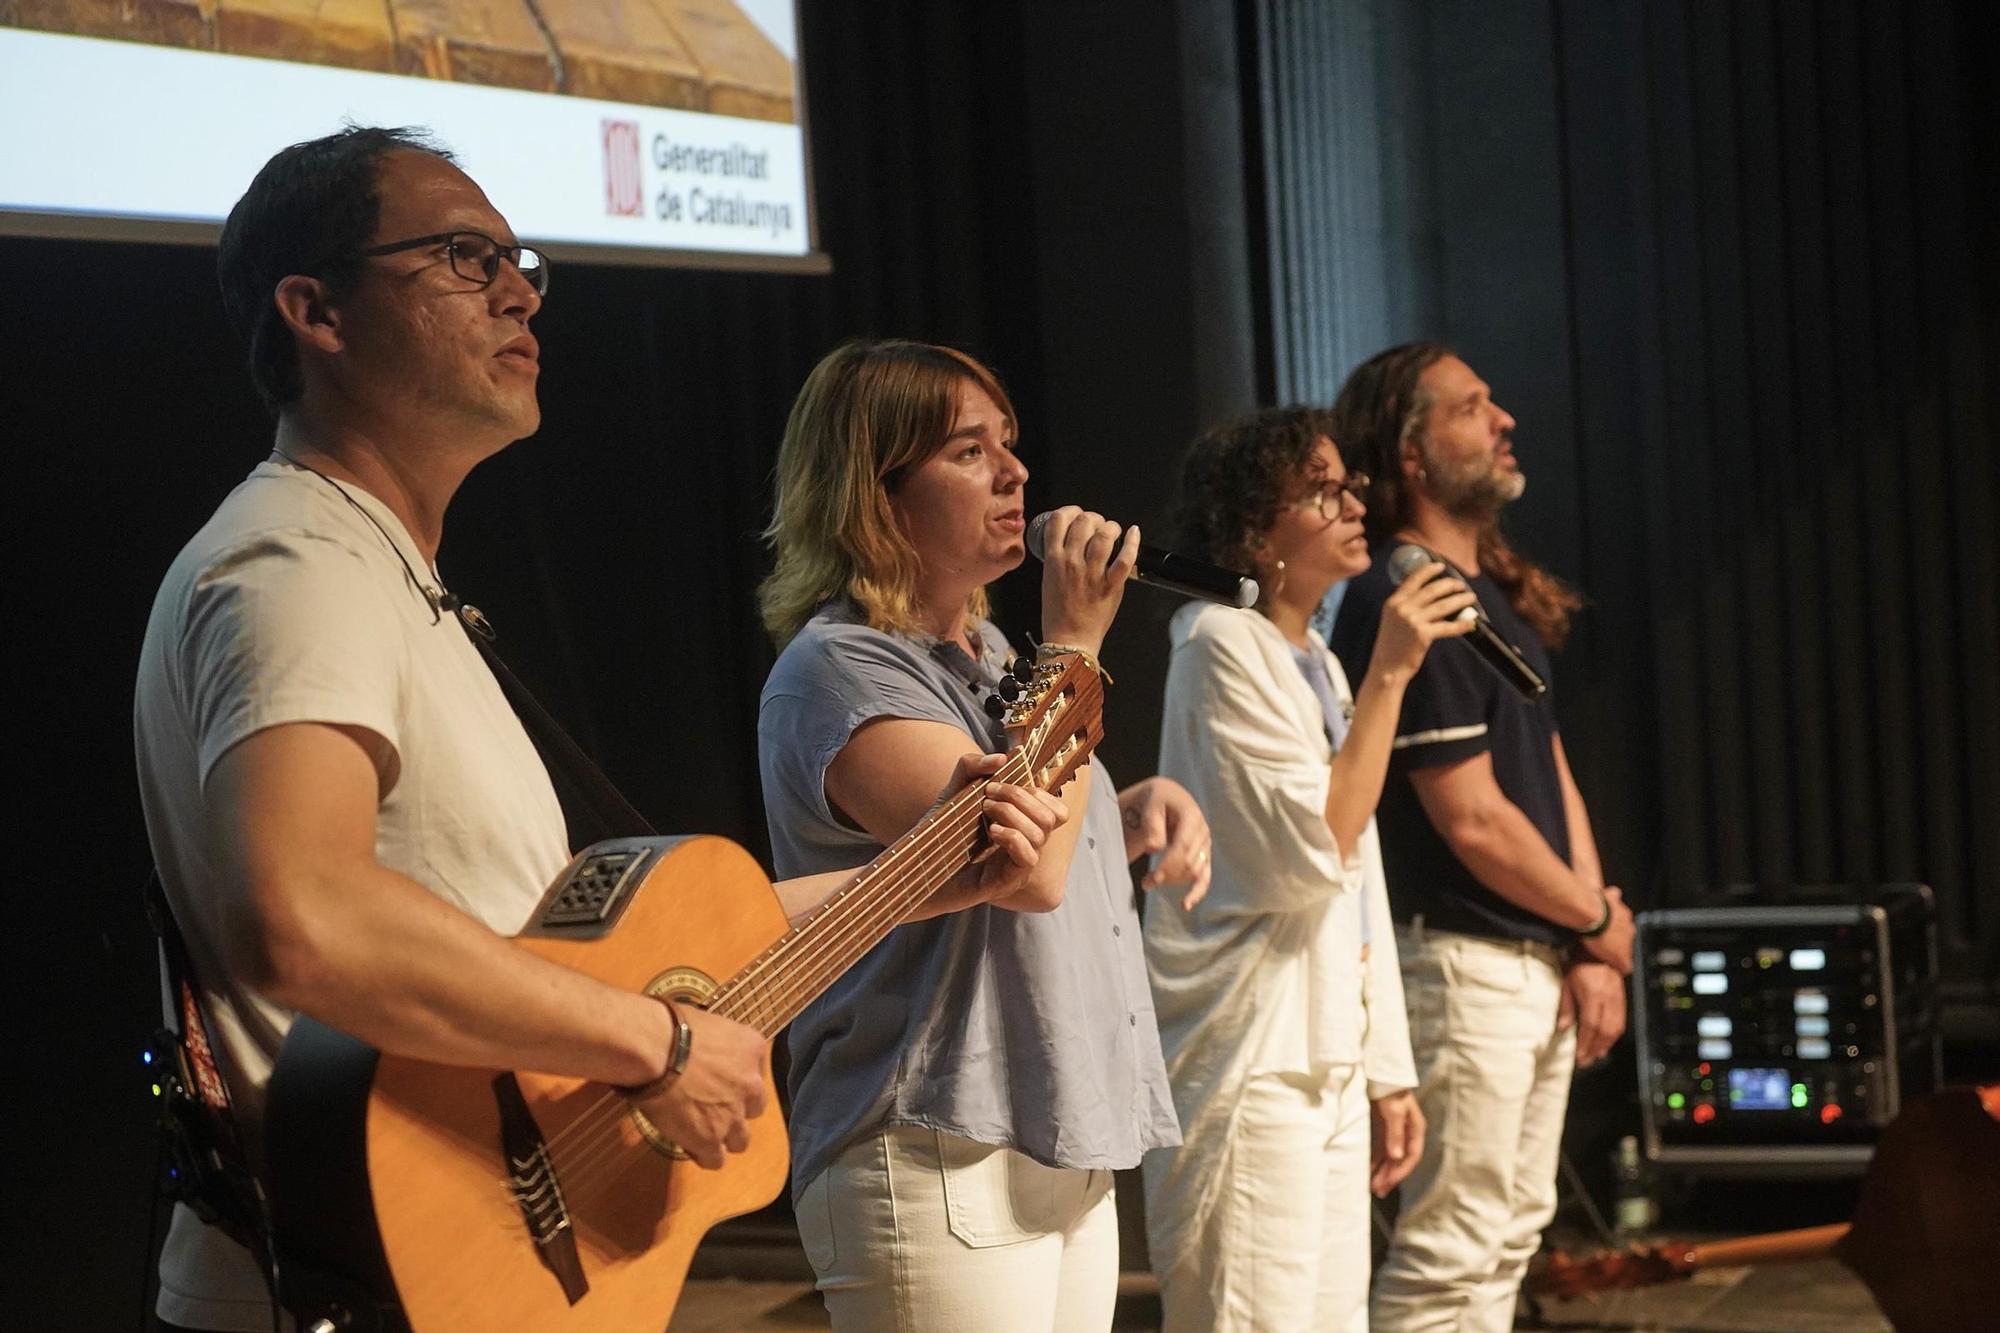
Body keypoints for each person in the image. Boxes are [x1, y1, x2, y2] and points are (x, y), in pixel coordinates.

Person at [133, 131, 1058, 1332]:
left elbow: (567, 954)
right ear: (316, 310)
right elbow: (304, 914)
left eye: (516, 259)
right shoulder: (295, 562)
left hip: (468, 1268)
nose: (519, 289)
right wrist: (659, 1045)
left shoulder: (379, 576)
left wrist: (926, 877)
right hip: (377, 1282)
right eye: (464, 257)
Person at [756, 338, 1211, 1332]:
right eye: (969, 451)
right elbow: (1022, 871)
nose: (1014, 472)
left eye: (1007, 443)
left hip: (1050, 1124)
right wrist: (1079, 646)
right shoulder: (838, 669)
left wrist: (1121, 812)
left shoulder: (994, 654)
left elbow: (1049, 819)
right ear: (875, 493)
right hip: (929, 1140)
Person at [1140, 406, 1476, 1331]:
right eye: (1321, 488)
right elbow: (1312, 848)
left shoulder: (1317, 662)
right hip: (1251, 1060)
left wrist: (1387, 1069)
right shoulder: (1219, 643)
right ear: (1253, 525)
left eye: (1348, 482)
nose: (1352, 501)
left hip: (1321, 1051)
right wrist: (1394, 675)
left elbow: (1360, 881)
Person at [1324, 343, 1636, 1333]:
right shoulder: (1398, 595)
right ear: (1411, 452)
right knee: (1449, 1255)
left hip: (1526, 952)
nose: (1501, 418)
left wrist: (1590, 935)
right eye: (1471, 406)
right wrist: (1588, 915)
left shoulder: (1482, 591)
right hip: (1460, 961)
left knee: (1504, 1236)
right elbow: (1469, 817)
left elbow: (1546, 777)